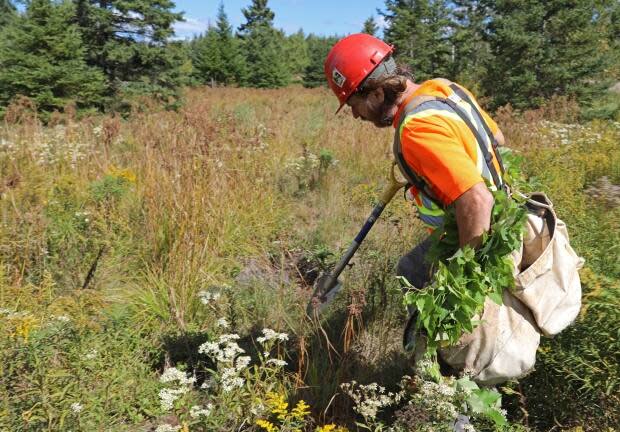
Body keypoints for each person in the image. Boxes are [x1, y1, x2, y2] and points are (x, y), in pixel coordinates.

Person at [323, 33, 506, 306]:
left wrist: (462, 284)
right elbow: (497, 138)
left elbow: (478, 202)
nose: (355, 115)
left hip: (477, 232)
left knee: (415, 279)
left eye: (354, 105)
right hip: (496, 217)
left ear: (377, 93)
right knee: (411, 268)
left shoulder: (416, 129)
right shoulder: (445, 88)